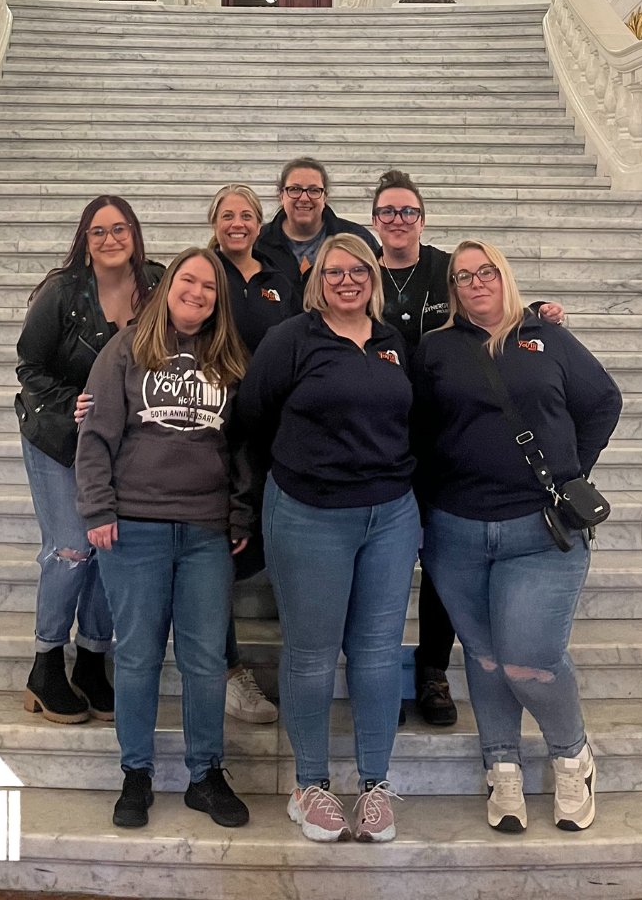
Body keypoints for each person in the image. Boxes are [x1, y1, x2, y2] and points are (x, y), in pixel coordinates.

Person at [411, 239, 622, 835]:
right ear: (452, 290)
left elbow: (603, 401)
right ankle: (500, 764)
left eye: (487, 272)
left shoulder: (545, 336)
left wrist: (570, 470)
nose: (476, 283)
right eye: (463, 277)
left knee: (527, 658)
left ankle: (571, 756)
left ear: (504, 278)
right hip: (454, 531)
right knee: (482, 656)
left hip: (541, 532)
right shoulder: (436, 350)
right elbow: (420, 430)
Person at [237, 234, 420, 844]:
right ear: (318, 281)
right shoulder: (292, 338)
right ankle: (310, 784)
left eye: (359, 271)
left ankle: (374, 784)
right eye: (335, 272)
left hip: (391, 516)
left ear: (373, 276)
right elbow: (251, 417)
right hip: (309, 513)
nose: (348, 281)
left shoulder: (395, 342)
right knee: (313, 654)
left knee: (376, 652)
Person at [370, 169, 565, 728]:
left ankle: (432, 670)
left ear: (422, 219)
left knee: (440, 563)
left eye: (408, 211)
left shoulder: (447, 270)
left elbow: (493, 306)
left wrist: (540, 314)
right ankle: (378, 670)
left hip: (444, 433)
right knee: (381, 563)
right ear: (374, 220)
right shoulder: (361, 274)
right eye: (387, 212)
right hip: (379, 432)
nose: (398, 220)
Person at [76, 247, 255, 831]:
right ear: (169, 285)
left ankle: (205, 775)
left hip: (206, 533)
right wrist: (98, 507)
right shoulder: (125, 349)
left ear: (217, 300)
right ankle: (136, 772)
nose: (198, 292)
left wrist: (238, 514)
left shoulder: (230, 359)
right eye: (189, 281)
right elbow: (96, 436)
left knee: (205, 660)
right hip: (135, 529)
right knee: (137, 655)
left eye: (209, 287)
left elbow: (241, 451)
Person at [16, 195, 164, 725]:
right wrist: (66, 401)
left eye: (119, 228)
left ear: (134, 233)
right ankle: (47, 661)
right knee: (72, 549)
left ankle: (93, 661)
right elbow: (29, 366)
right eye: (98, 231)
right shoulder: (61, 292)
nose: (110, 239)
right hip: (59, 439)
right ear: (85, 238)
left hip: (126, 441)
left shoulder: (157, 284)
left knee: (108, 545)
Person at [207, 183, 301, 723]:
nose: (237, 223)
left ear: (260, 223)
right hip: (213, 428)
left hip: (271, 430)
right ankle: (225, 671)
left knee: (274, 539)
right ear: (214, 221)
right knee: (216, 549)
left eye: (246, 215)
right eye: (227, 215)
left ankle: (301, 669)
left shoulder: (277, 279)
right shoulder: (201, 271)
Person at [258, 157, 379, 291]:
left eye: (314, 190)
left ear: (324, 197)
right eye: (295, 189)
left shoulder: (358, 239)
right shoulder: (258, 243)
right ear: (281, 196)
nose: (304, 198)